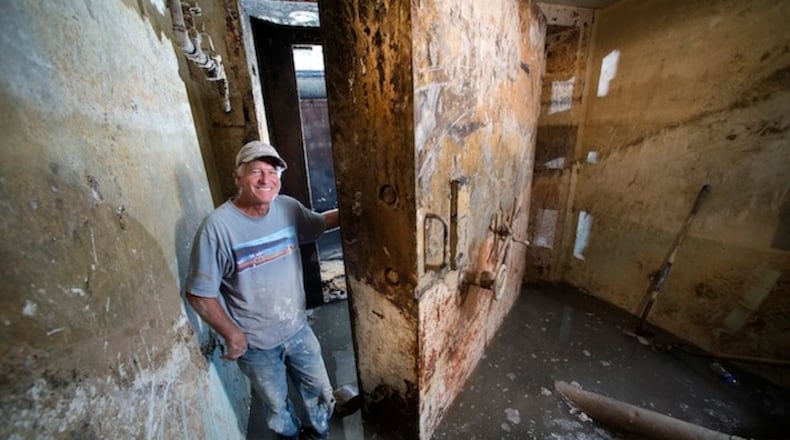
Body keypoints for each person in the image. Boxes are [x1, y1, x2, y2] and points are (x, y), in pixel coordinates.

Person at [185, 140, 339, 440]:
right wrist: (232, 334)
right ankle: (291, 437)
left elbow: (319, 224)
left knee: (321, 392)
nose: (266, 179)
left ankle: (319, 434)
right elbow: (199, 292)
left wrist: (360, 209)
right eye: (256, 171)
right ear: (238, 177)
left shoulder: (287, 208)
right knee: (277, 406)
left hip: (297, 328)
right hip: (256, 344)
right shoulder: (217, 228)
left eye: (272, 171)